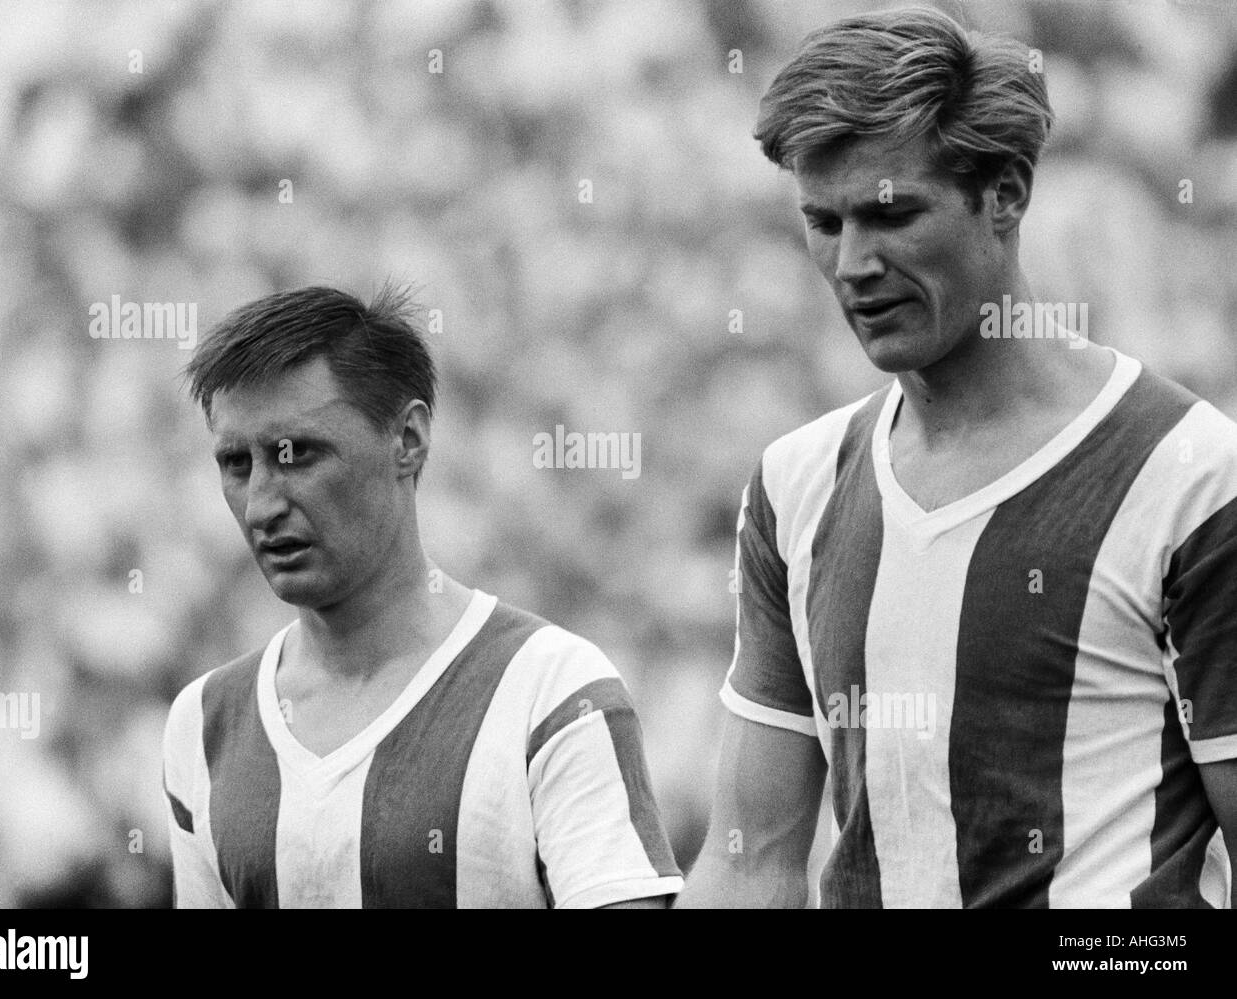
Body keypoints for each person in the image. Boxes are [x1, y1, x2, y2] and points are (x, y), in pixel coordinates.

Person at [680, 5, 1237, 908]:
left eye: (890, 214)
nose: (854, 262)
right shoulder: (797, 484)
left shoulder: (1192, 478)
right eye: (824, 222)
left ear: (1006, 193)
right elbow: (751, 863)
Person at [163, 284, 682, 908]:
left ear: (407, 439)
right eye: (237, 464)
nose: (263, 504)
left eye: (297, 455)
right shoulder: (203, 724)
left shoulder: (550, 692)